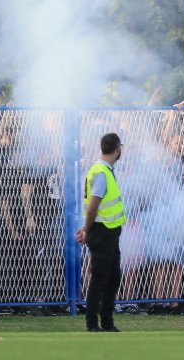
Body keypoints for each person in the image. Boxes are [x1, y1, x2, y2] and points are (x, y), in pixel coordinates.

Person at [75, 133, 127, 333]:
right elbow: (93, 207)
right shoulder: (102, 172)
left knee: (112, 278)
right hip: (102, 230)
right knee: (99, 277)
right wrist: (86, 229)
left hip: (110, 232)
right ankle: (92, 324)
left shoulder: (104, 170)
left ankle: (107, 322)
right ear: (118, 149)